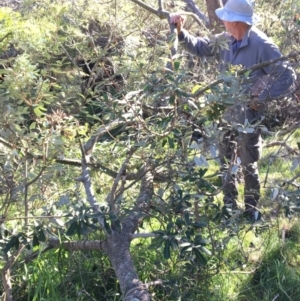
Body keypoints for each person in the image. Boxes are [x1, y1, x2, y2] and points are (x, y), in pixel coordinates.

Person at [170, 0, 296, 221]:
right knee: (225, 161)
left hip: (249, 118)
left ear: (237, 22)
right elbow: (201, 46)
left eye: (226, 18)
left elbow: (288, 76)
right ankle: (229, 207)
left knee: (248, 164)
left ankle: (251, 211)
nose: (222, 21)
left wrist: (261, 98)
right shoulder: (226, 39)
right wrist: (180, 30)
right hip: (224, 114)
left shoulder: (262, 45)